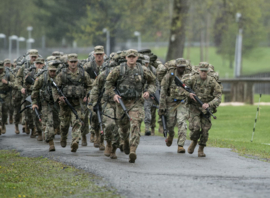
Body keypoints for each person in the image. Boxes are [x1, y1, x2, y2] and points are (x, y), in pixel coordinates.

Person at [104, 49, 156, 163]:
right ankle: (124, 141)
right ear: (126, 58)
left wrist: (148, 92)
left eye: (134, 56)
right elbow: (108, 83)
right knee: (122, 128)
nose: (132, 58)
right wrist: (113, 95)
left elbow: (153, 82)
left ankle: (133, 149)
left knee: (135, 123)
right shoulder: (118, 70)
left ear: (137, 58)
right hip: (121, 103)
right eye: (129, 56)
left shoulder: (143, 70)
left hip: (136, 102)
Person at [52, 53, 92, 152]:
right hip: (65, 103)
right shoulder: (62, 74)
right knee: (64, 124)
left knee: (77, 122)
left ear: (77, 62)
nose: (73, 64)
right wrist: (58, 98)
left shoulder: (83, 73)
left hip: (78, 103)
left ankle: (75, 142)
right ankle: (63, 137)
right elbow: (54, 88)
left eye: (75, 62)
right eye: (71, 62)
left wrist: (87, 96)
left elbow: (90, 86)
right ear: (68, 62)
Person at [184, 63, 222, 157]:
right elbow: (180, 88)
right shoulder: (192, 79)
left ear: (208, 71)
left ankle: (201, 148)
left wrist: (209, 104)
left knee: (205, 130)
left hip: (206, 109)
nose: (204, 73)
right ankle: (194, 141)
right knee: (195, 128)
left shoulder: (212, 81)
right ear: (198, 71)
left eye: (205, 71)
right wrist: (188, 94)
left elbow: (218, 97)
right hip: (194, 108)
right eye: (202, 71)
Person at [89, 57, 119, 158]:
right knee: (110, 124)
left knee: (120, 128)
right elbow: (95, 88)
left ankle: (114, 149)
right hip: (107, 103)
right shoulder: (104, 75)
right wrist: (94, 103)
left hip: (121, 104)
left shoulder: (124, 74)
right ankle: (109, 144)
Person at [159, 58, 190, 153]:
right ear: (176, 66)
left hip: (182, 103)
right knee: (170, 125)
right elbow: (163, 91)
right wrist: (162, 106)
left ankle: (180, 145)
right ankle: (171, 135)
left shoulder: (188, 76)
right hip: (170, 102)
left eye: (183, 67)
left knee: (182, 123)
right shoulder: (169, 76)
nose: (182, 69)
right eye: (180, 67)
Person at [31, 61, 60, 151]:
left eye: (54, 71)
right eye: (51, 71)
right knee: (48, 123)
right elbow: (35, 90)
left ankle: (48, 133)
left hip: (56, 104)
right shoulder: (41, 79)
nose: (52, 73)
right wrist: (34, 103)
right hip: (45, 104)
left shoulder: (59, 78)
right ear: (48, 70)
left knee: (56, 122)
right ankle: (51, 143)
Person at [83, 46, 106, 148]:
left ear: (104, 55)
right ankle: (96, 134)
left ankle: (101, 140)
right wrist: (85, 94)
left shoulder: (107, 66)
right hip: (92, 94)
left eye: (101, 54)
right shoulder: (88, 67)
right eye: (97, 55)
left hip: (105, 94)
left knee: (105, 117)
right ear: (94, 55)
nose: (99, 56)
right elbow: (82, 81)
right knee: (94, 116)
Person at [142, 55, 158, 136]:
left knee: (149, 109)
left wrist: (151, 92)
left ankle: (148, 128)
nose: (145, 65)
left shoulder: (152, 70)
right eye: (144, 63)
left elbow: (155, 83)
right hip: (138, 93)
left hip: (148, 93)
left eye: (147, 63)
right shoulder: (138, 69)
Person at [0, 61, 15, 135]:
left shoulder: (8, 74)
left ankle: (3, 123)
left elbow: (15, 84)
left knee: (5, 112)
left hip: (6, 95)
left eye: (1, 69)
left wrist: (7, 82)